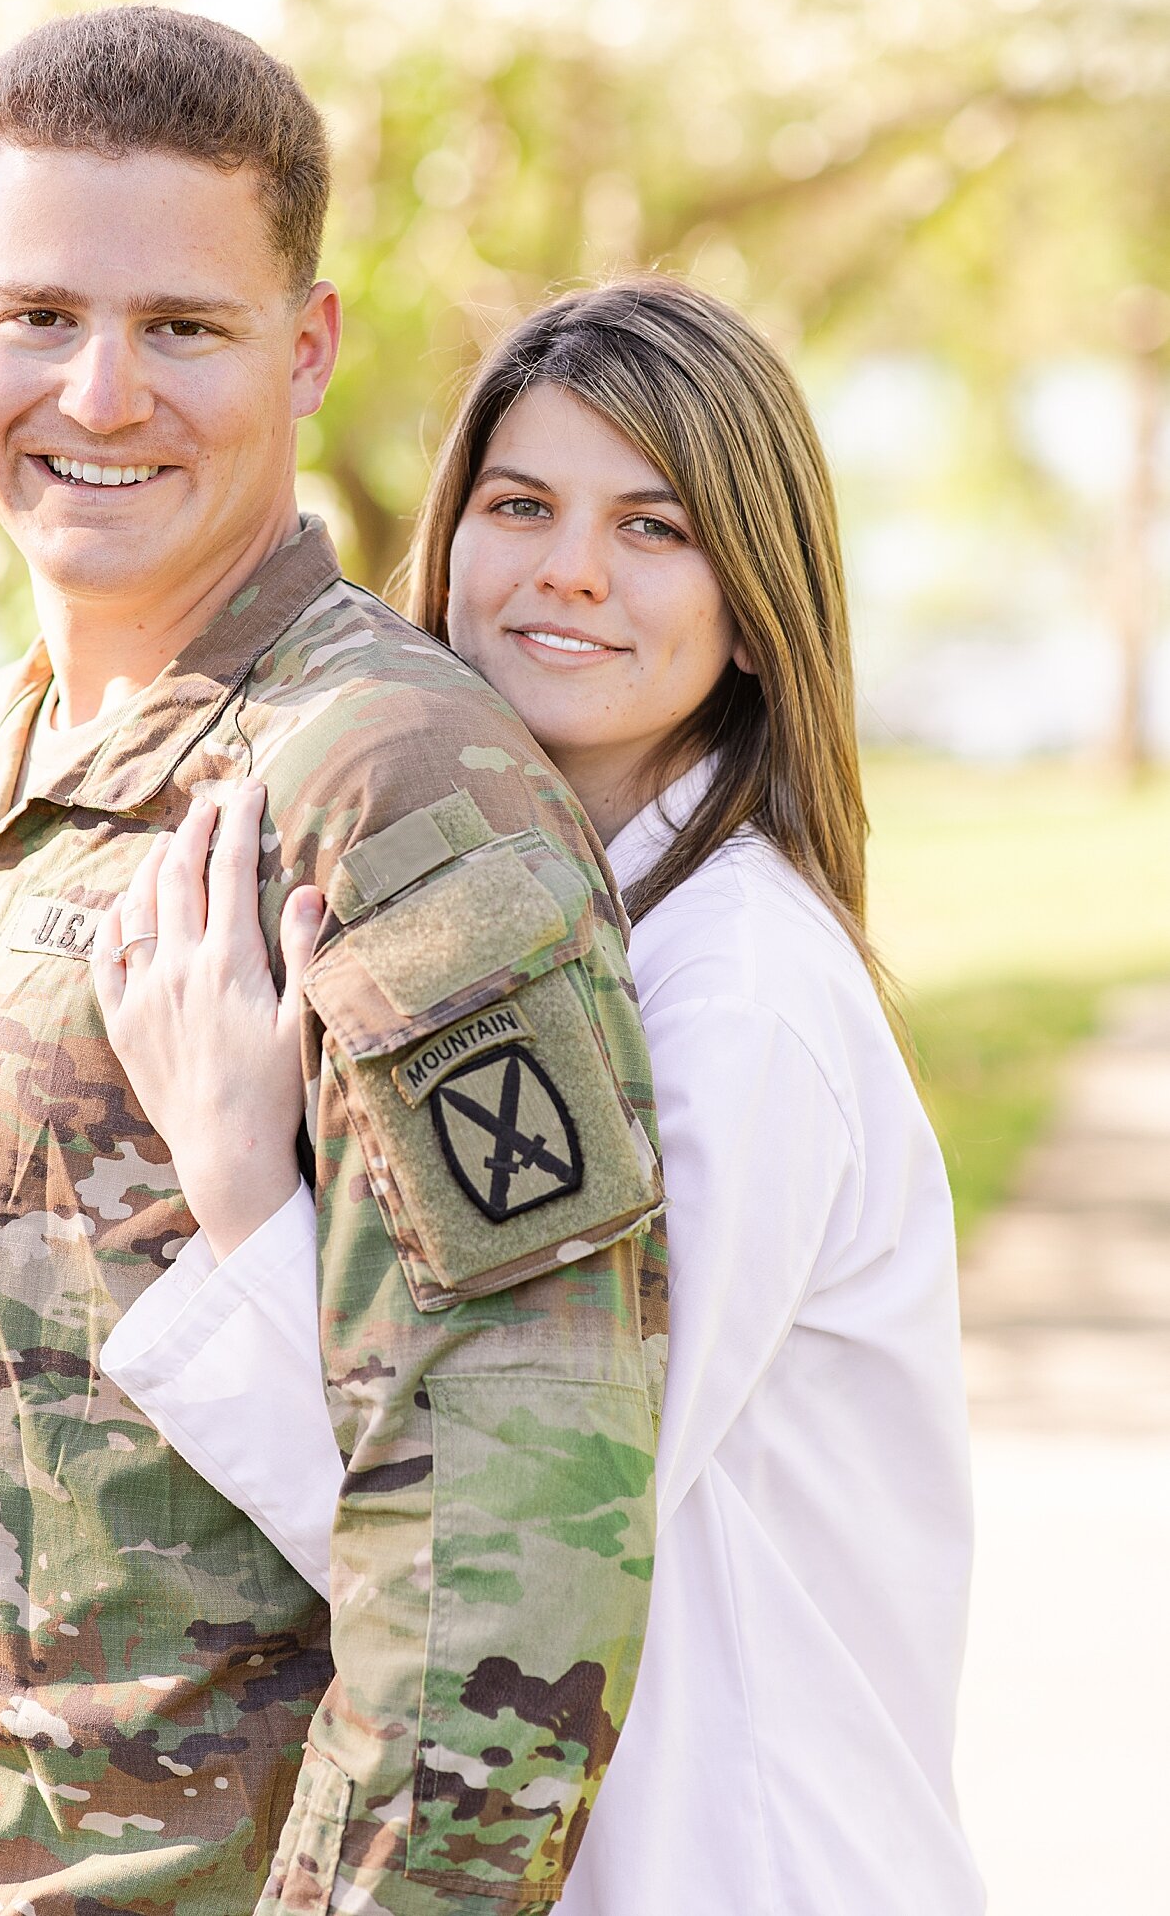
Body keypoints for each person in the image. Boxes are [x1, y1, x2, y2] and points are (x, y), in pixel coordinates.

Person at [0, 7, 668, 1916]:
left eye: (181, 328)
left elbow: (521, 1558)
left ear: (308, 346)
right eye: (39, 316)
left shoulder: (393, 788)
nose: (100, 395)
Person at [95, 276, 987, 1915]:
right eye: (522, 504)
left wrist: (236, 1179)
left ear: (754, 593)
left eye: (654, 525)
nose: (569, 567)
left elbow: (524, 1537)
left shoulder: (741, 998)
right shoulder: (534, 927)